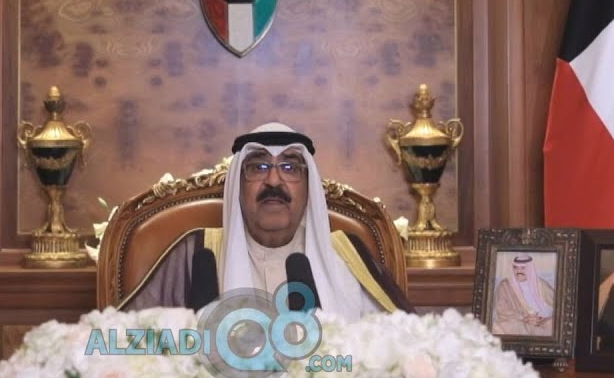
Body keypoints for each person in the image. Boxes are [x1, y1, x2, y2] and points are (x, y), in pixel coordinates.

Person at [121, 122, 413, 318]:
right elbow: (127, 340)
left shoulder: (347, 254)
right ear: (238, 185)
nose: (273, 180)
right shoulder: (197, 251)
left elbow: (397, 344)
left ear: (309, 187)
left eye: (290, 167)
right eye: (258, 167)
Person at [491, 253, 556, 337]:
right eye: (516, 267)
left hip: (543, 320)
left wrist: (542, 318)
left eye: (523, 268)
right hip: (521, 321)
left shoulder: (541, 284)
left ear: (530, 269)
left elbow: (556, 304)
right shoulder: (505, 285)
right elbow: (501, 309)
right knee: (510, 326)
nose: (519, 271)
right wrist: (524, 317)